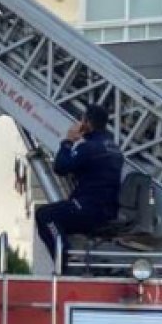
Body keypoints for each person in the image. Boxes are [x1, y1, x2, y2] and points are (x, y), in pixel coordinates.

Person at [35, 102, 123, 261]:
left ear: (87, 123)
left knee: (45, 215)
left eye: (82, 120)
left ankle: (65, 257)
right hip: (108, 211)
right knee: (61, 216)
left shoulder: (89, 148)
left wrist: (68, 140)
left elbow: (60, 167)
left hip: (88, 209)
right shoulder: (115, 149)